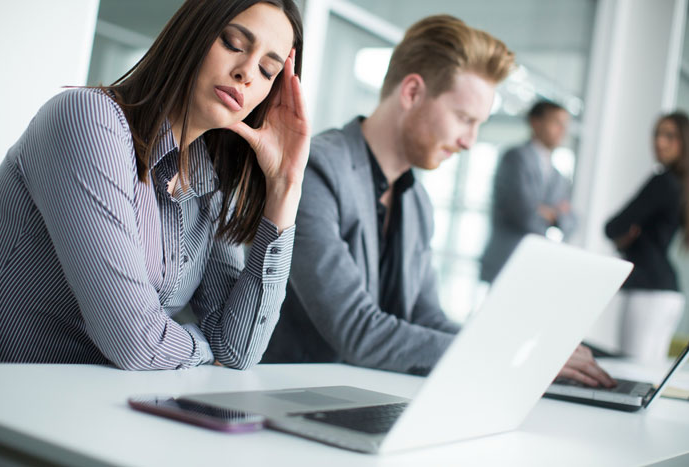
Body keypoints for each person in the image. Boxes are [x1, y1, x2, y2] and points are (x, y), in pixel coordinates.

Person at [263, 15, 614, 388]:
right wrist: (508, 354)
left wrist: (525, 348)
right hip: (289, 397)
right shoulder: (316, 170)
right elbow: (358, 331)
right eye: (464, 118)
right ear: (412, 93)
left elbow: (427, 318)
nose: (470, 141)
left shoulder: (417, 203)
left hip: (369, 395)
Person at [0, 0, 309, 370]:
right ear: (192, 33)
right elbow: (137, 342)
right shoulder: (88, 121)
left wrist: (286, 184)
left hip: (97, 412)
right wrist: (206, 351)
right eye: (234, 44)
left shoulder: (208, 185)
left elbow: (238, 350)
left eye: (268, 70)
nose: (247, 73)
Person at [606, 111, 689, 362]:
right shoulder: (681, 184)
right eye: (656, 134)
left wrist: (625, 236)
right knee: (651, 376)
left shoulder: (663, 181)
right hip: (669, 293)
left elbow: (613, 227)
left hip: (648, 291)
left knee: (631, 370)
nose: (659, 142)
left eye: (669, 136)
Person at [480, 100, 576, 283]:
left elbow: (573, 221)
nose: (562, 130)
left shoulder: (558, 175)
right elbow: (524, 214)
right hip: (507, 261)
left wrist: (551, 214)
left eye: (565, 125)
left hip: (535, 265)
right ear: (535, 122)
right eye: (556, 123)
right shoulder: (515, 158)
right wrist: (555, 214)